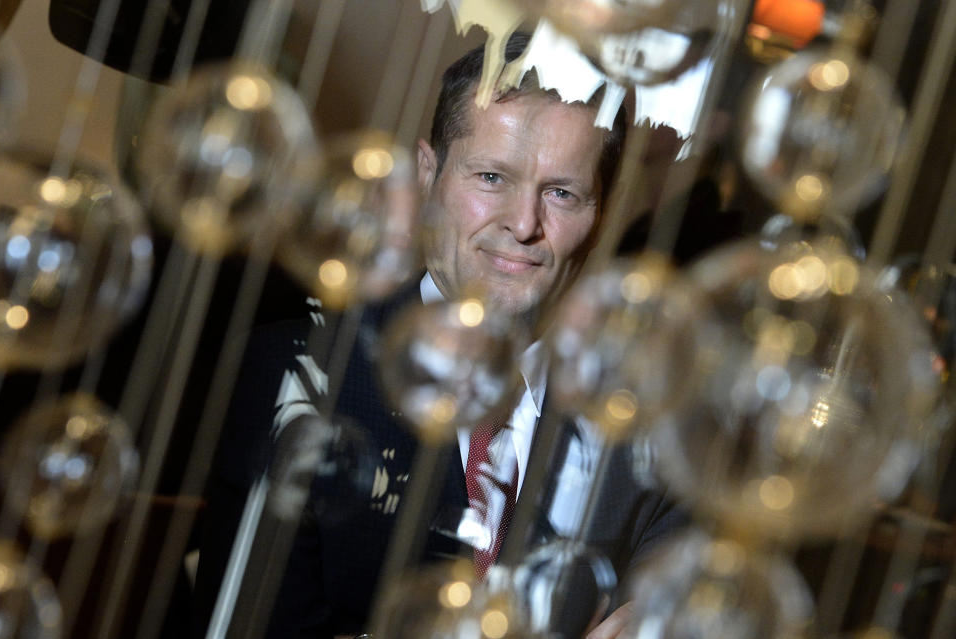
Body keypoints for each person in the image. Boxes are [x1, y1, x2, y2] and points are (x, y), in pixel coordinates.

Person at [193, 32, 686, 639]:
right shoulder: (298, 372)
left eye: (561, 193)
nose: (524, 224)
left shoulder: (653, 419)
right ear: (429, 174)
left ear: (601, 214)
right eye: (491, 178)